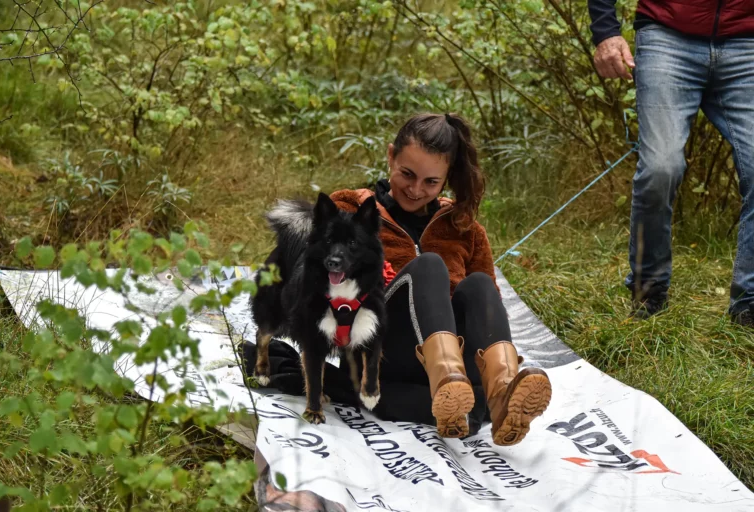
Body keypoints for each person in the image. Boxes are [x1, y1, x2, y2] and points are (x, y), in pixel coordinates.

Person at [244, 113, 552, 446]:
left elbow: (486, 308)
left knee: (478, 285)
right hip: (382, 349)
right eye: (407, 174)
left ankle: (500, 393)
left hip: (462, 367)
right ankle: (446, 388)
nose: (416, 189)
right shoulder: (350, 208)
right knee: (429, 267)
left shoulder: (465, 229)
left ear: (447, 178)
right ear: (391, 155)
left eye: (431, 182)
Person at [588, 0, 754, 326]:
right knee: (660, 168)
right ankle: (648, 295)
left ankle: (749, 306)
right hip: (667, 37)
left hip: (747, 42)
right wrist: (606, 31)